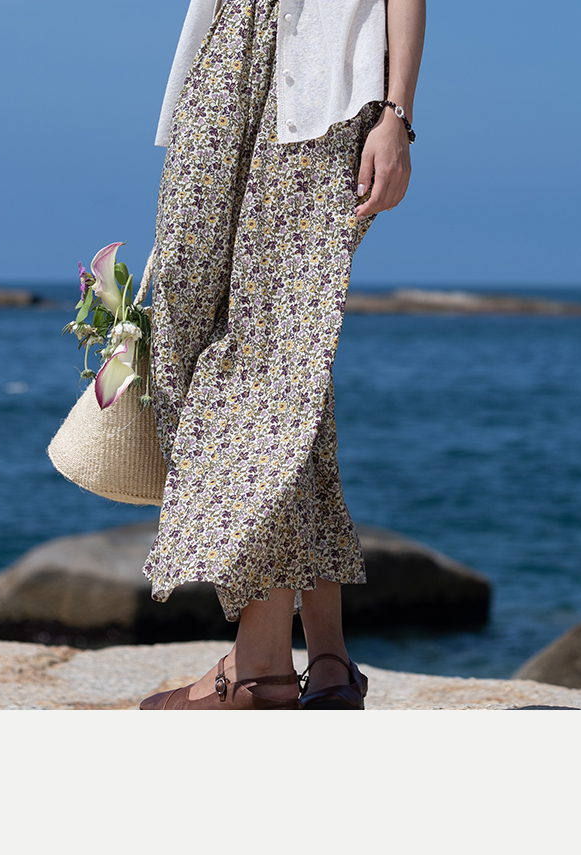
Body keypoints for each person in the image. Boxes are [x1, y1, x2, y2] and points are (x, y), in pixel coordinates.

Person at [139, 0, 426, 709]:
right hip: (225, 57)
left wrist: (396, 116)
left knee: (271, 350)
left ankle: (260, 666)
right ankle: (328, 657)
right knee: (188, 329)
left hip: (329, 83)